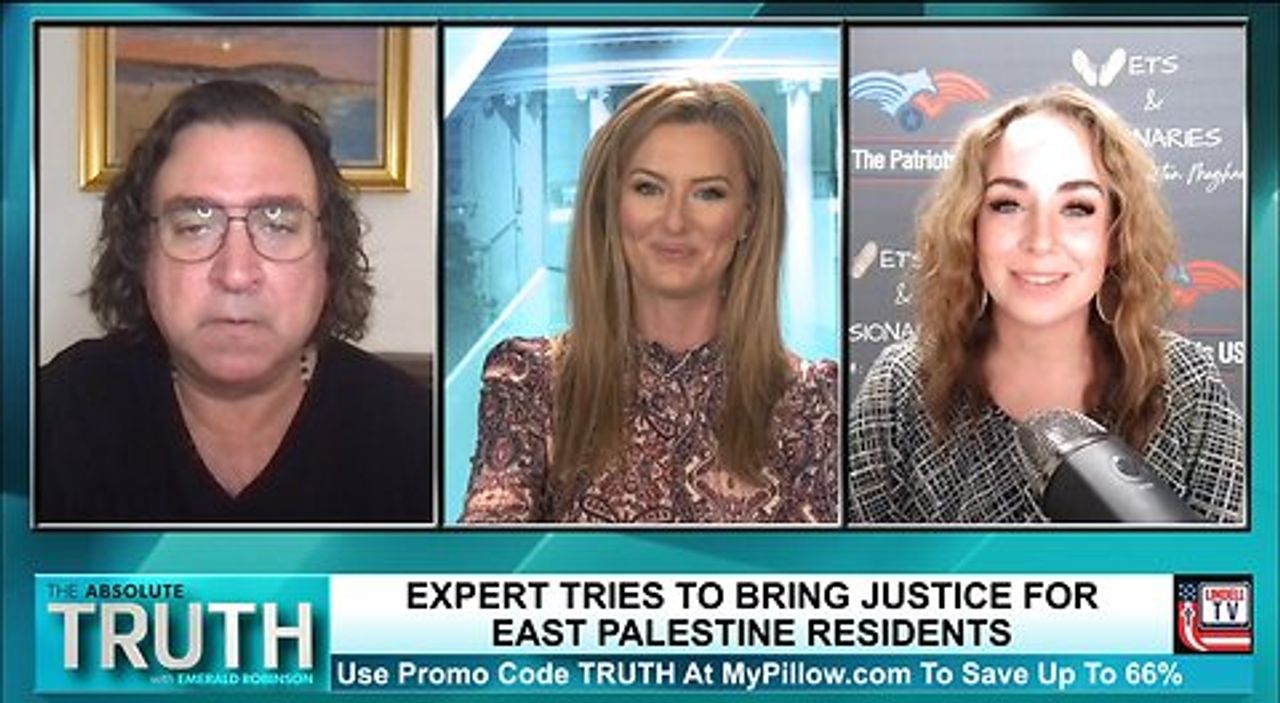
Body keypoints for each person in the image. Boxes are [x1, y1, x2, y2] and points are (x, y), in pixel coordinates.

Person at [38, 80, 433, 523]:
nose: (236, 274)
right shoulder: (55, 417)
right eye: (195, 226)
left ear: (328, 254)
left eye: (278, 224)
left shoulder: (413, 435)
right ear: (142, 254)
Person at [847, 85, 1245, 524]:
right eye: (1007, 205)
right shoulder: (899, 387)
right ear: (969, 228)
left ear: (1115, 236)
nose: (1041, 241)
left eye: (1077, 208)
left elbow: (1235, 565)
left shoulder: (1186, 385)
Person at [461, 80, 838, 524]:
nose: (675, 221)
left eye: (708, 193)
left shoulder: (816, 403)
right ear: (610, 206)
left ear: (748, 217)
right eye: (648, 188)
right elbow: (491, 555)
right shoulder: (530, 382)